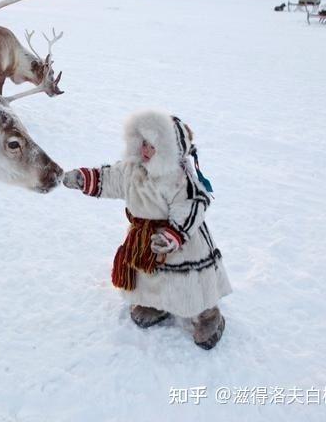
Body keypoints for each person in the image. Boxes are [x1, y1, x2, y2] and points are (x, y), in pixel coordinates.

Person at [63, 110, 232, 349]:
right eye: (143, 143)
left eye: (152, 146)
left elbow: (192, 206)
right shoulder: (132, 169)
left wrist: (174, 235)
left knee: (188, 283)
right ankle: (156, 304)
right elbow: (111, 178)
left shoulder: (179, 178)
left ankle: (208, 315)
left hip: (182, 242)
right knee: (150, 277)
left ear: (169, 149)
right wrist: (85, 179)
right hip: (145, 239)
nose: (145, 150)